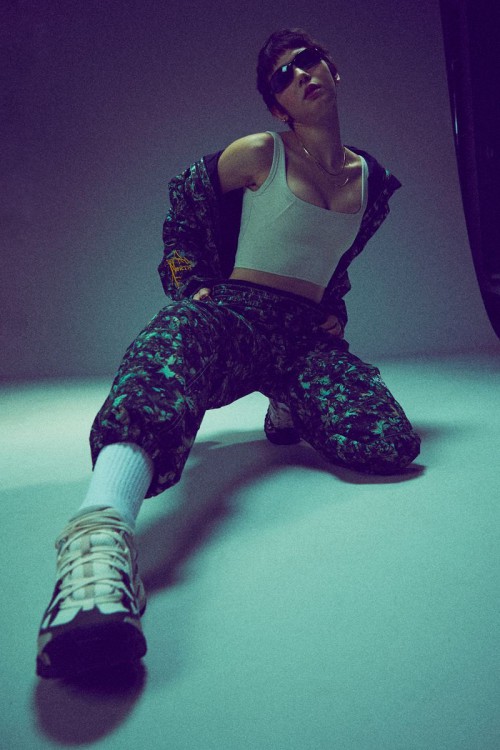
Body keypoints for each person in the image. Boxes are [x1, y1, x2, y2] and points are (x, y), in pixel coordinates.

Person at [36, 28, 421, 679]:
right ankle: (98, 539)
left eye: (308, 61)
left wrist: (332, 308)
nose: (300, 75)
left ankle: (287, 400)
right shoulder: (259, 153)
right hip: (237, 316)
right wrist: (190, 284)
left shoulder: (373, 182)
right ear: (276, 105)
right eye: (282, 75)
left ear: (332, 69)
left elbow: (335, 256)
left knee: (388, 443)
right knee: (172, 341)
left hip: (304, 338)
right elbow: (184, 205)